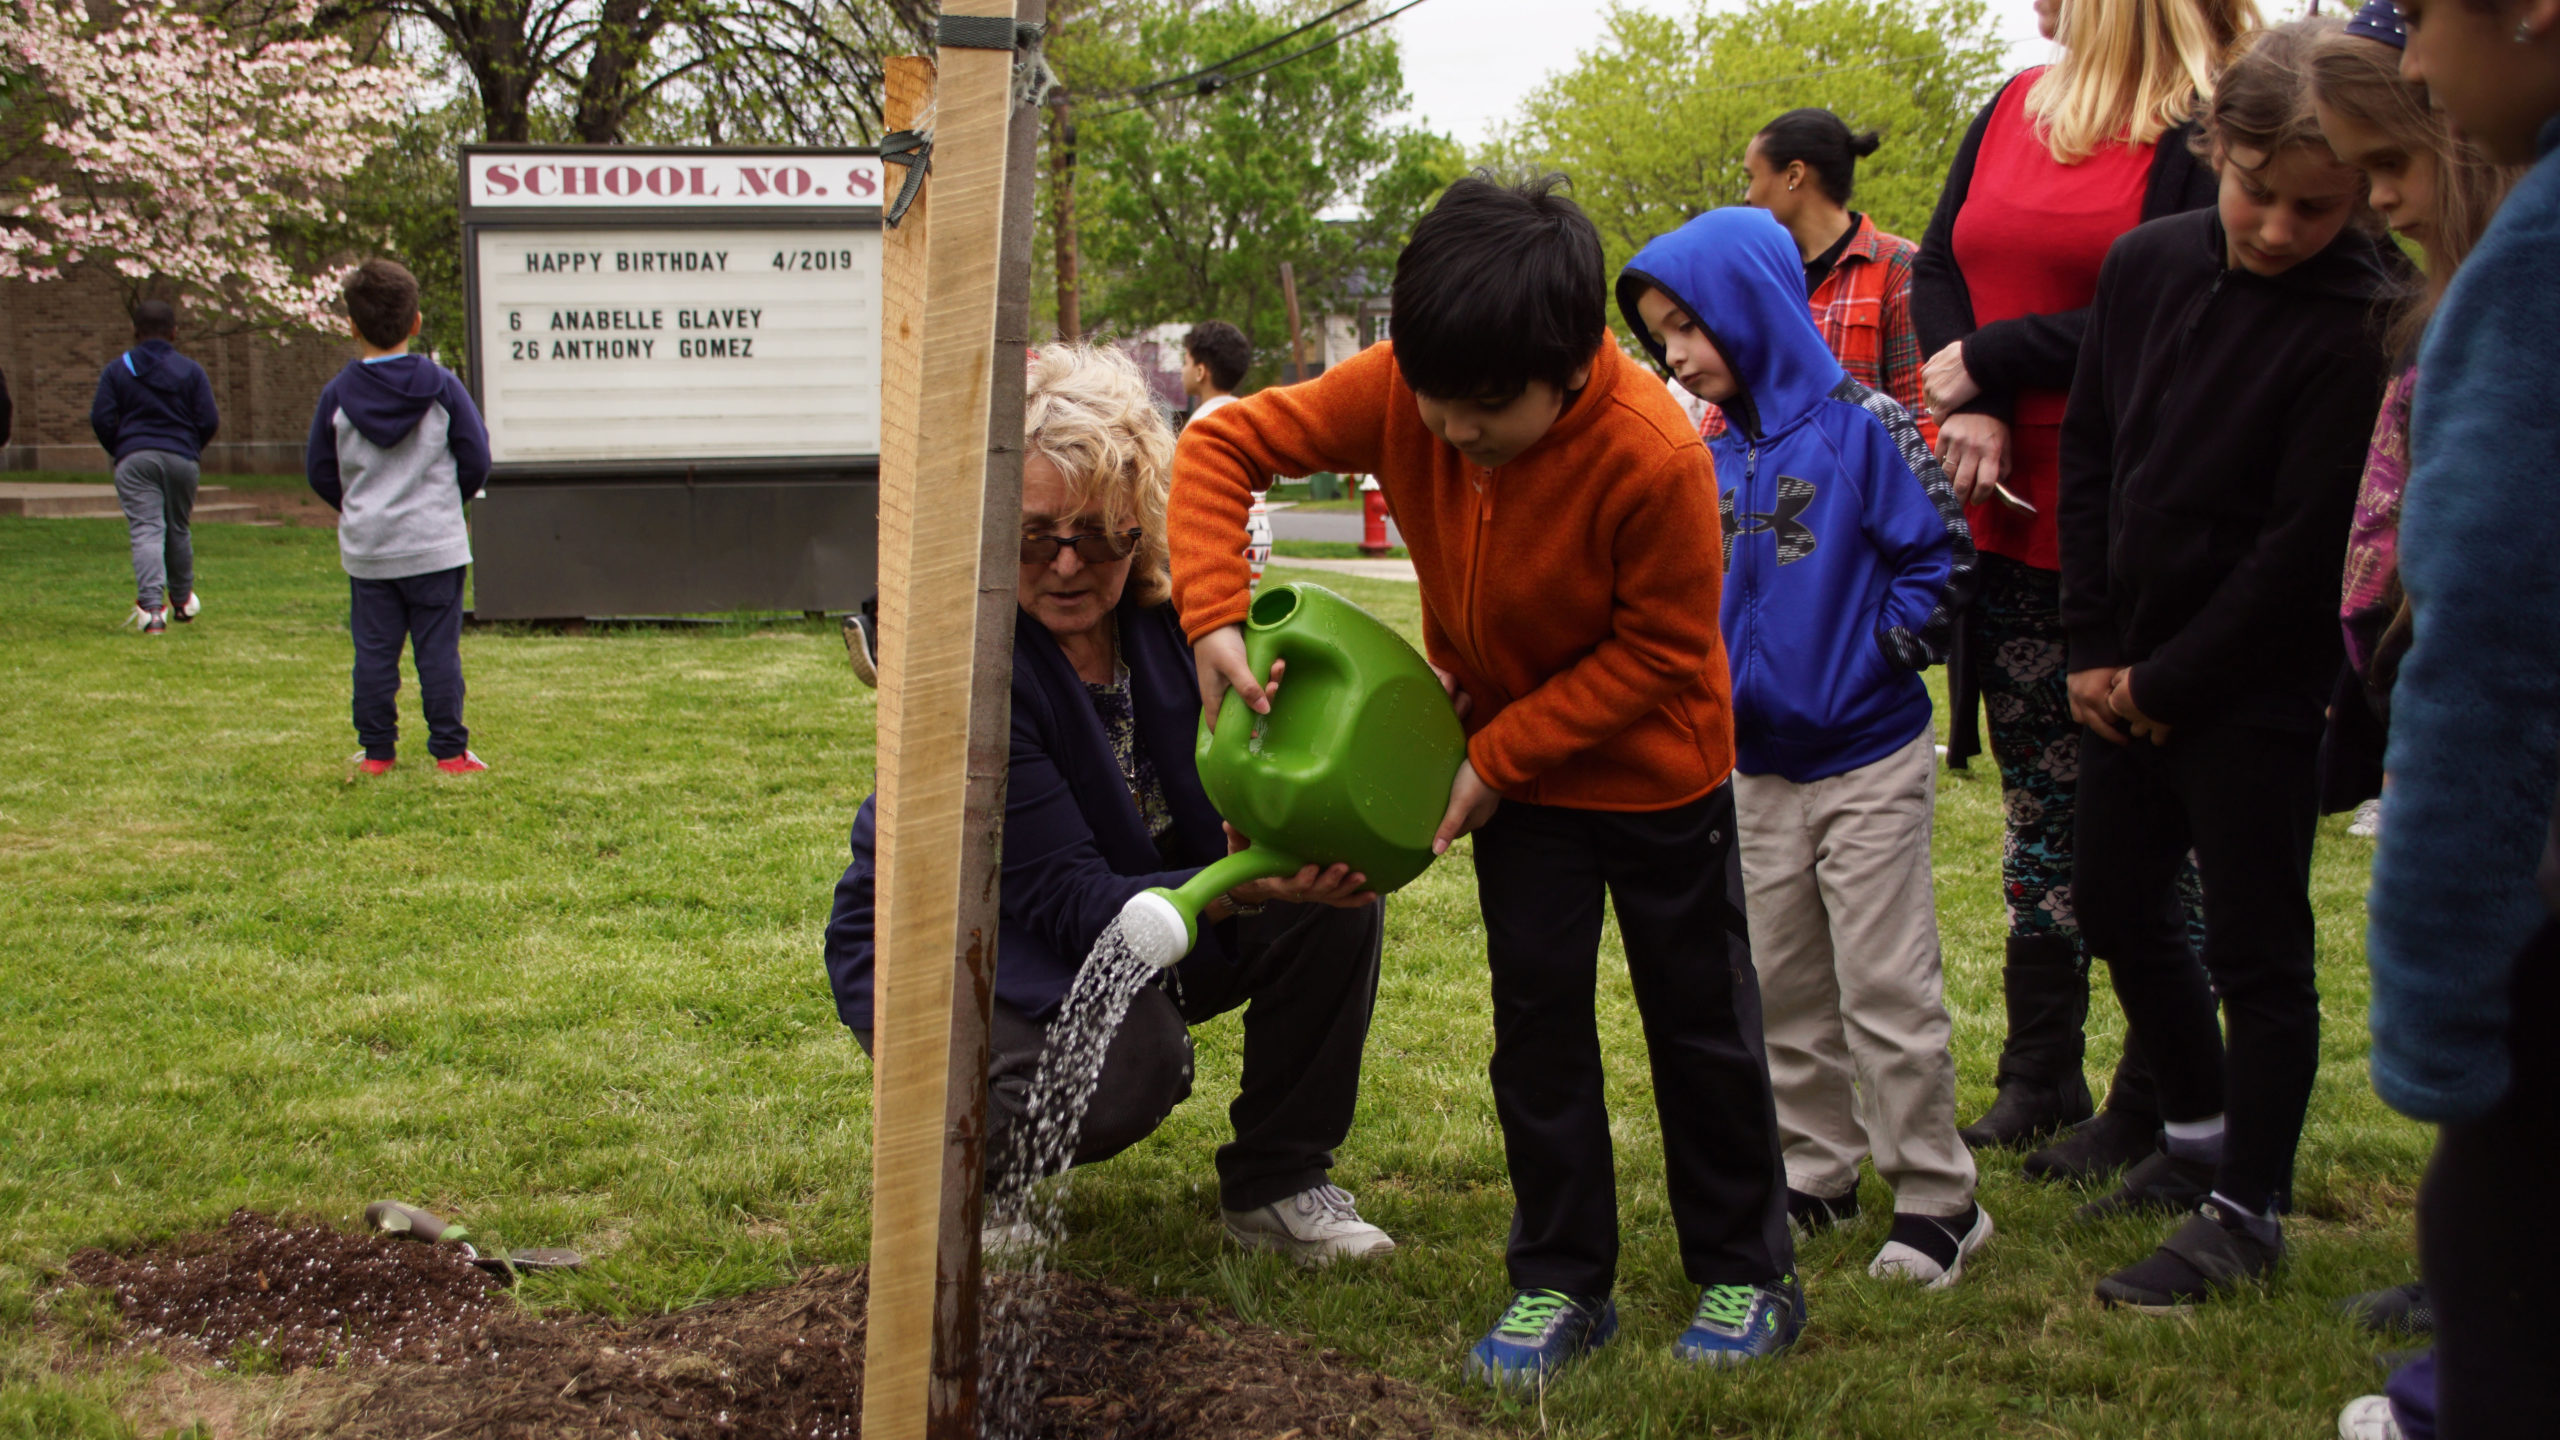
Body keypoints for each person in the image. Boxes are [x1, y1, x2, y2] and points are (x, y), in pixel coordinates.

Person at [1170, 175, 1798, 1387]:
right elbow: (1222, 443)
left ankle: (1746, 1268)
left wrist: (1496, 755)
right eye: (1434, 399)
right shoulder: (1407, 387)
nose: (1453, 431)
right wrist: (1210, 610)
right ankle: (1559, 1279)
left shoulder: (1653, 454)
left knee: (1699, 1024)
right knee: (1537, 1026)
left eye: (1489, 409)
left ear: (1570, 364)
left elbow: (1663, 652)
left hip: (1657, 779)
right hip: (1521, 792)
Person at [824, 342, 1394, 1265]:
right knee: (1133, 1063)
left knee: (1334, 899)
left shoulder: (1178, 617)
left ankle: (1279, 1181)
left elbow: (1254, 782)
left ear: (1142, 529)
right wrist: (1240, 888)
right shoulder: (973, 667)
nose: (1065, 564)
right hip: (970, 943)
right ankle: (969, 1169)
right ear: (988, 526)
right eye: (1033, 536)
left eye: (1098, 536)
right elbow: (1065, 898)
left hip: (1144, 902)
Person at [2054, 16, 2400, 1310]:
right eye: (2259, 192)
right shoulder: (2146, 264)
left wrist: (2170, 684)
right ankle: (2191, 1133)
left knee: (2258, 948)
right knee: (2112, 902)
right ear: (2214, 147)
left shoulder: (2369, 313)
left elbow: (2304, 546)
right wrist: (2095, 649)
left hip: (2253, 689)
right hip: (2123, 668)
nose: (2278, 228)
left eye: (2318, 206)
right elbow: (2092, 454)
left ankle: (2248, 1206)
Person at [1912, 0, 2256, 1164]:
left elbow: (2172, 305)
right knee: (2041, 806)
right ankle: (2039, 1073)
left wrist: (1995, 360)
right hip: (2010, 514)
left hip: (2142, 519)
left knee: (2159, 825)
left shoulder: (2205, 128)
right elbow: (1940, 267)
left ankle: (2158, 1094)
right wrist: (1977, 400)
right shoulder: (2010, 105)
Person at [1621, 207, 1987, 1286]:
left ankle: (1939, 1197)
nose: (1676, 355)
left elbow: (1943, 562)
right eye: (1660, 335)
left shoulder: (1865, 427)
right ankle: (1819, 1168)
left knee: (1886, 986)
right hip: (1755, 770)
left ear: (1752, 307)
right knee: (1780, 983)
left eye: (1689, 326)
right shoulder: (1701, 453)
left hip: (1867, 761)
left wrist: (1867, 662)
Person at [2302, 6, 2521, 1404]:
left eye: (2389, 164)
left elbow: (2490, 594)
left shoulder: (2522, 295)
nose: (2378, 200)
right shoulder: (2459, 306)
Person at [2360, 0, 2560, 1426]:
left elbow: (2491, 637)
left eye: (2424, 14)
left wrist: (2439, 1018)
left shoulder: (2538, 260)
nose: (2420, 64)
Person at [306, 259, 491, 776]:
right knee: (438, 653)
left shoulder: (336, 396)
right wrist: (445, 504)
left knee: (373, 654)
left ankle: (377, 751)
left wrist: (360, 507)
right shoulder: (443, 387)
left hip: (370, 548)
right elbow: (476, 456)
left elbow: (319, 470)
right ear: (416, 321)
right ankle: (450, 751)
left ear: (352, 326)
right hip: (436, 545)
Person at [1687, 108, 1936, 451]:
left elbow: (1923, 414)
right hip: (1763, 481)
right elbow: (1728, 411)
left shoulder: (1897, 266)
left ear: (1793, 175)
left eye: (1752, 177)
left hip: (1858, 480)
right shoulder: (1759, 277)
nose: (1747, 195)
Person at [90, 299, 219, 635]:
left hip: (135, 458)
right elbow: (208, 419)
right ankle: (182, 601)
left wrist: (122, 448)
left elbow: (101, 418)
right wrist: (189, 448)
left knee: (147, 529)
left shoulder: (117, 370)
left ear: (135, 332)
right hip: (181, 458)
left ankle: (151, 610)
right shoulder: (191, 371)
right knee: (178, 528)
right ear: (174, 332)